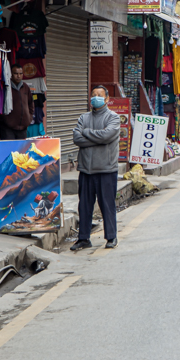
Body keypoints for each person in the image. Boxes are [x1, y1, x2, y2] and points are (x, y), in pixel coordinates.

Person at [71, 85, 121, 251]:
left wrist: (87, 133)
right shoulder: (83, 118)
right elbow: (77, 138)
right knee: (84, 205)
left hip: (106, 169)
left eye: (99, 95)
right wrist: (97, 138)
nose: (95, 98)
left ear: (107, 99)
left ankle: (111, 237)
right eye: (93, 95)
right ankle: (83, 238)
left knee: (107, 205)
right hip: (86, 169)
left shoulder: (113, 117)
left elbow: (107, 136)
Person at [0, 64, 34, 140]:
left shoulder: (25, 87)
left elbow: (31, 103)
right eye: (16, 73)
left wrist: (29, 118)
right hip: (8, 128)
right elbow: (0, 104)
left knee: (21, 151)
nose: (18, 76)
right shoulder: (6, 87)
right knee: (9, 151)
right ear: (11, 74)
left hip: (23, 128)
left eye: (20, 74)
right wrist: (5, 119)